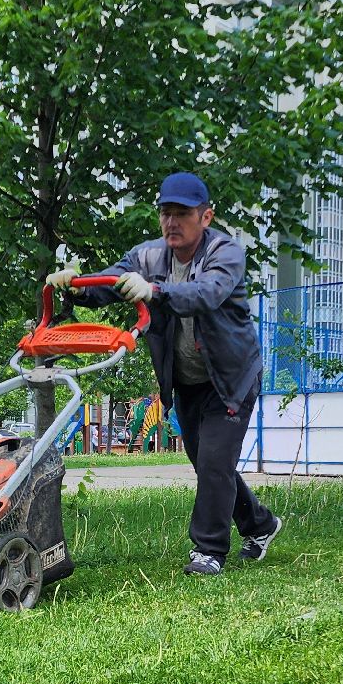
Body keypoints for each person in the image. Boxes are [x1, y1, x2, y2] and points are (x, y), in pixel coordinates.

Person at [47, 171, 281, 576]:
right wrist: (76, 286)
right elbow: (110, 283)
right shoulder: (148, 256)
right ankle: (260, 525)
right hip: (186, 381)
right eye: (165, 214)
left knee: (212, 462)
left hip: (231, 379)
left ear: (205, 217)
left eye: (182, 214)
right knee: (208, 462)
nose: (172, 222)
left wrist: (155, 292)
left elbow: (206, 294)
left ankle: (208, 551)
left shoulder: (226, 253)